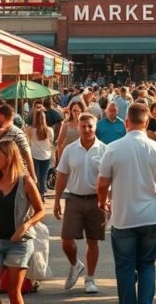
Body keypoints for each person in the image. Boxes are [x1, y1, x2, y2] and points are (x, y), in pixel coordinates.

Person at [98, 103, 156, 304]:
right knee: (147, 265)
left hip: (123, 217)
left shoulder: (112, 149)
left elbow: (102, 184)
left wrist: (103, 202)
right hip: (151, 217)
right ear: (146, 122)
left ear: (127, 122)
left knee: (125, 268)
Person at [0, 140, 46, 304]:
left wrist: (25, 226)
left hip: (18, 244)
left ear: (9, 157)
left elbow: (41, 210)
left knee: (13, 291)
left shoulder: (25, 181)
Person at [54, 113, 107, 294]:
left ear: (95, 127)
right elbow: (62, 175)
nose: (87, 130)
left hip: (96, 201)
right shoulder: (70, 149)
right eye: (83, 126)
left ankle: (90, 279)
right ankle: (76, 264)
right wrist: (56, 200)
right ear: (78, 127)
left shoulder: (104, 150)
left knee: (93, 241)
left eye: (90, 126)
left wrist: (109, 201)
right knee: (66, 240)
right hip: (74, 199)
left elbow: (110, 179)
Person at [0, 104, 37, 186]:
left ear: (2, 116)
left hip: (18, 177)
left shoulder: (17, 133)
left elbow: (27, 153)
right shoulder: (4, 132)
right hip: (8, 176)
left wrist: (32, 176)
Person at [25, 109, 54, 198]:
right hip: (46, 156)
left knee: (36, 176)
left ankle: (37, 194)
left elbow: (28, 143)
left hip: (34, 156)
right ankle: (42, 193)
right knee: (43, 177)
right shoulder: (49, 130)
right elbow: (51, 143)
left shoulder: (30, 130)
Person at [56, 100, 84, 164]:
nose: (76, 113)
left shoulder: (85, 125)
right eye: (74, 110)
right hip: (67, 157)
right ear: (71, 111)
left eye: (78, 111)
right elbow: (59, 144)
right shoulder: (66, 125)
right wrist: (60, 161)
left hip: (80, 157)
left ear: (81, 111)